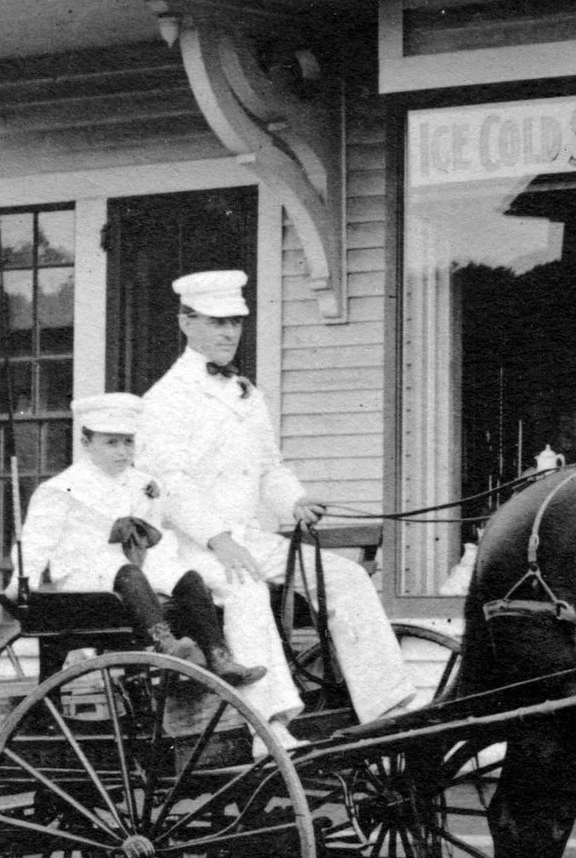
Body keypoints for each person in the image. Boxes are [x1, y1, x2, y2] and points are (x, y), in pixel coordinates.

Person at [138, 270, 419, 745]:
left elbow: (270, 467)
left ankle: (386, 706)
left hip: (250, 538)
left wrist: (296, 500)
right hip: (191, 549)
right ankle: (268, 726)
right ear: (186, 322)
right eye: (216, 321)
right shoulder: (166, 398)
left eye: (236, 322)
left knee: (346, 578)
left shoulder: (246, 394)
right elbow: (172, 483)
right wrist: (219, 540)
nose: (229, 333)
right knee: (246, 590)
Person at [15, 393, 265, 688]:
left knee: (187, 578)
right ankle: (167, 645)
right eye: (111, 442)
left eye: (128, 442)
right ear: (86, 444)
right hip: (83, 573)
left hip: (133, 565)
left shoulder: (142, 483)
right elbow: (36, 540)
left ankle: (218, 656)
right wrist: (24, 581)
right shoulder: (61, 488)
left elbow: (152, 531)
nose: (122, 452)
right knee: (126, 572)